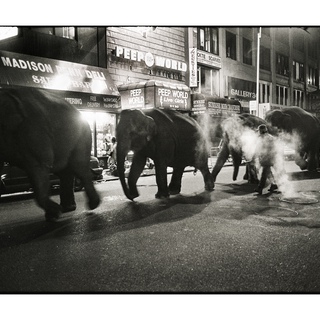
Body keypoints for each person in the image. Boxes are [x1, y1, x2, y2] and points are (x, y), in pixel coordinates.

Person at [254, 124, 278, 195]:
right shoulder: (271, 137)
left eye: (259, 130)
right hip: (271, 157)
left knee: (264, 174)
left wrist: (255, 155)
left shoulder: (261, 138)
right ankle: (274, 185)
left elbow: (258, 148)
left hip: (265, 158)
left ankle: (260, 188)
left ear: (261, 130)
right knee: (268, 172)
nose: (258, 132)